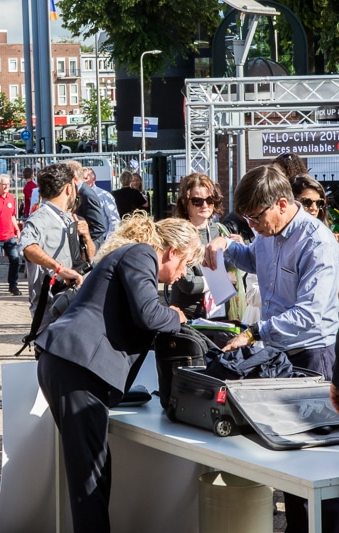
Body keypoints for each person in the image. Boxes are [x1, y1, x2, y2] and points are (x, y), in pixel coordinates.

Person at [35, 212, 201, 532]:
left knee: (95, 470)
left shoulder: (132, 256)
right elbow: (150, 316)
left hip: (72, 367)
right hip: (77, 368)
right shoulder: (142, 253)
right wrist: (176, 316)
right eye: (185, 263)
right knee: (91, 479)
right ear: (173, 252)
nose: (182, 274)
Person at [204, 164, 339, 533]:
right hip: (279, 353)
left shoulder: (317, 243)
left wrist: (252, 333)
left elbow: (309, 316)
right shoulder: (266, 231)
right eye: (246, 219)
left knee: (318, 462)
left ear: (282, 203)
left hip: (313, 358)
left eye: (256, 217)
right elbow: (254, 259)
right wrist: (228, 246)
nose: (253, 226)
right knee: (290, 460)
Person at [19, 164, 87, 333]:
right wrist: (60, 269)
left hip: (69, 304)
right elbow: (27, 247)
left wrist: (87, 238)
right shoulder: (40, 218)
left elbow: (83, 260)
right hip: (50, 311)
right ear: (68, 189)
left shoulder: (68, 218)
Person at [168, 172, 245, 321]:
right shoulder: (181, 234)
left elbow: (237, 274)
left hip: (220, 315)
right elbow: (188, 285)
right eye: (197, 201)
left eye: (209, 200)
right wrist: (224, 279)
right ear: (185, 202)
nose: (205, 205)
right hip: (189, 317)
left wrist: (240, 252)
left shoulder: (221, 230)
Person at [67, 160, 107, 247]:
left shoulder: (87, 195)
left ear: (73, 177)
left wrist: (81, 241)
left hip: (90, 248)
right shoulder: (79, 191)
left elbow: (99, 227)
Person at [83, 166, 120, 239]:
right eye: (81, 179)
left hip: (102, 239)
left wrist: (109, 240)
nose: (83, 181)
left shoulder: (104, 195)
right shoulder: (77, 195)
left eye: (86, 178)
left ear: (94, 179)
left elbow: (114, 219)